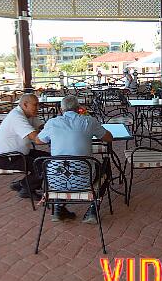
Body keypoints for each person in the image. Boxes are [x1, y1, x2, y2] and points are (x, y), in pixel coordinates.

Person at [35, 95, 113, 223]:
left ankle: (58, 209)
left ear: (61, 110)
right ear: (78, 109)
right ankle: (93, 210)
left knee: (62, 168)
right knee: (105, 166)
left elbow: (38, 140)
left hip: (55, 182)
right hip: (83, 181)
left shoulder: (52, 123)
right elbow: (109, 137)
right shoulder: (89, 121)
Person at [0, 93, 49, 198]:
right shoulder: (17, 117)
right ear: (25, 104)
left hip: (22, 153)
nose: (38, 107)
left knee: (49, 159)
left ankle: (24, 185)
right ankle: (25, 188)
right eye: (35, 105)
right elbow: (36, 139)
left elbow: (44, 127)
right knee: (43, 165)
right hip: (8, 157)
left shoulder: (28, 114)